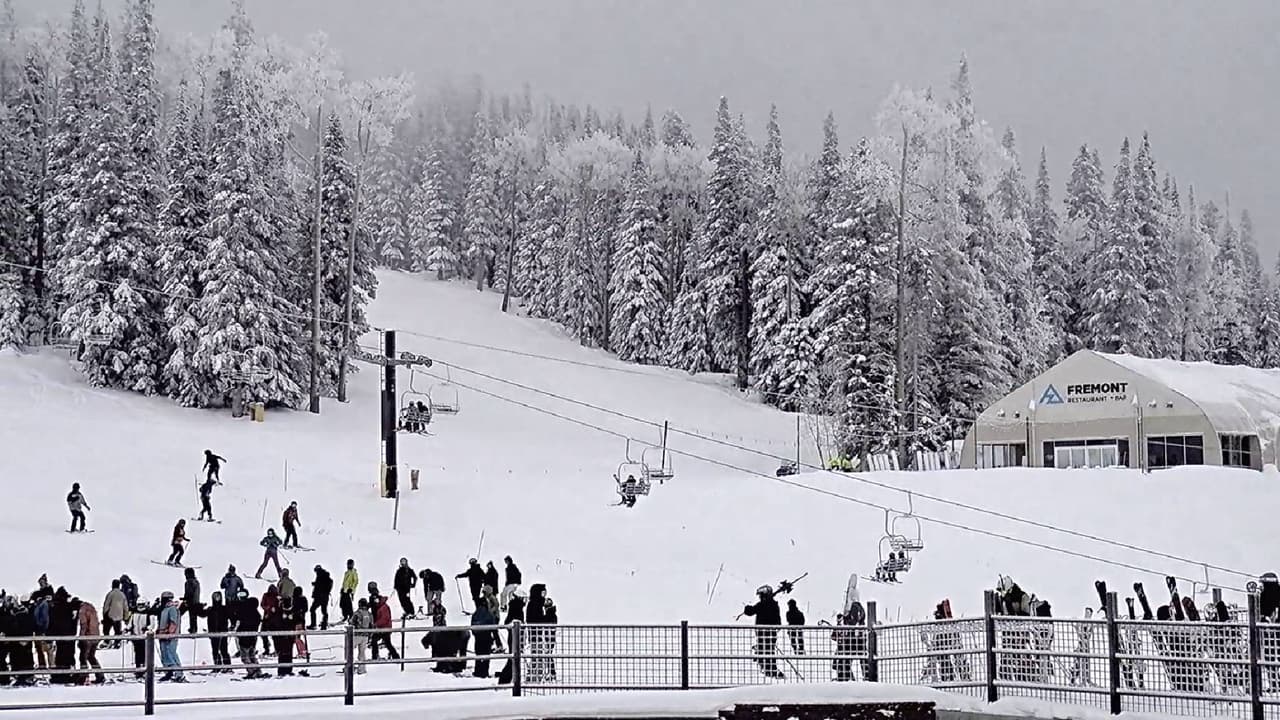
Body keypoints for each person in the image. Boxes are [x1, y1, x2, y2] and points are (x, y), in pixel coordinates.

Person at [743, 585, 783, 679]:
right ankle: (770, 668)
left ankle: (767, 668)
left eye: (760, 595)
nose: (760, 597)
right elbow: (778, 619)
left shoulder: (761, 605)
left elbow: (750, 611)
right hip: (771, 632)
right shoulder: (774, 605)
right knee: (770, 650)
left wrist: (746, 608)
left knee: (764, 649)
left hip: (762, 632)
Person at [200, 592, 232, 672]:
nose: (217, 598)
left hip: (223, 633)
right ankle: (217, 666)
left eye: (218, 597)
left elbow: (232, 616)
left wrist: (232, 625)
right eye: (215, 597)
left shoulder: (225, 608)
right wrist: (199, 606)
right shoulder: (210, 609)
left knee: (224, 650)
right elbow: (202, 614)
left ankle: (228, 666)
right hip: (213, 633)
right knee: (215, 651)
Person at [75, 598, 105, 684]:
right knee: (91, 656)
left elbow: (84, 625)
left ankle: (84, 677)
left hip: (88, 637)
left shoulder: (82, 610)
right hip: (96, 635)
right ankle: (100, 675)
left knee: (83, 657)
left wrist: (81, 638)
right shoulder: (91, 607)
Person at [234, 596, 264, 679]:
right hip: (253, 639)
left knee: (245, 657)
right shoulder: (257, 614)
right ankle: (258, 671)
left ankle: (252, 671)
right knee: (252, 656)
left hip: (244, 638)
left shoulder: (245, 613)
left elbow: (238, 618)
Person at [157, 591, 184, 682]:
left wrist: (169, 632)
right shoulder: (164, 609)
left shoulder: (172, 609)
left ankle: (179, 673)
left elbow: (173, 622)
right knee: (164, 655)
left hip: (169, 636)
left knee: (171, 654)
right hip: (163, 635)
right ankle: (168, 672)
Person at [471, 601, 498, 678]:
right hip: (487, 637)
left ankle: (477, 671)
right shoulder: (489, 614)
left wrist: (475, 634)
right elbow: (494, 628)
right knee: (486, 656)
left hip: (478, 638)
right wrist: (497, 640)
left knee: (478, 655)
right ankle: (485, 672)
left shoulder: (475, 614)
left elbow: (472, 626)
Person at [370, 594, 400, 660]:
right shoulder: (380, 606)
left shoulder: (383, 607)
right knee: (385, 642)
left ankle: (376, 656)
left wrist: (376, 624)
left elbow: (384, 619)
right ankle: (395, 655)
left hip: (385, 628)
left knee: (382, 642)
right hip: (383, 628)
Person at [350, 598, 373, 674]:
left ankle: (350, 667)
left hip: (357, 635)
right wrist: (370, 635)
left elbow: (352, 622)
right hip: (365, 636)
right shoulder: (369, 614)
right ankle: (362, 669)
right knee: (362, 653)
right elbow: (372, 625)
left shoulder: (357, 613)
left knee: (349, 650)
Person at [102, 580, 127, 647]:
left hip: (110, 616)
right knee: (117, 631)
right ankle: (117, 642)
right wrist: (125, 616)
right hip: (119, 617)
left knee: (106, 630)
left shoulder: (110, 594)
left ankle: (107, 642)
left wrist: (104, 614)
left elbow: (106, 605)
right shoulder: (122, 595)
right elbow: (125, 607)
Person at [290, 587, 310, 666]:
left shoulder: (294, 599)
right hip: (300, 620)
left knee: (296, 638)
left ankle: (302, 651)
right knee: (297, 637)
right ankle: (302, 651)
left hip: (296, 621)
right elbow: (305, 609)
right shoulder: (302, 599)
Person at [310, 565, 333, 630]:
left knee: (312, 609)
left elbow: (319, 586)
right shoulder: (326, 576)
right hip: (325, 597)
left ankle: (313, 624)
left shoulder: (320, 576)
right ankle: (324, 625)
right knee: (324, 611)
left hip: (319, 597)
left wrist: (315, 584)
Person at [260, 585, 280, 656]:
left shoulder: (277, 597)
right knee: (264, 634)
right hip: (268, 617)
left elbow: (279, 606)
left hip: (274, 619)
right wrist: (268, 608)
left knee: (274, 636)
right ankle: (267, 648)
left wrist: (274, 609)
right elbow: (262, 604)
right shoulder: (266, 595)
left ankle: (276, 650)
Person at [182, 568, 201, 634]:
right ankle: (193, 628)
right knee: (193, 616)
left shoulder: (190, 582)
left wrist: (186, 599)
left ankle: (193, 629)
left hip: (191, 601)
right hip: (195, 601)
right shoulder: (195, 582)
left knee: (192, 615)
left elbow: (189, 593)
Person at [340, 559, 359, 624]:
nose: (349, 565)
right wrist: (342, 588)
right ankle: (345, 616)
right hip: (344, 591)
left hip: (349, 591)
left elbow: (355, 582)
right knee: (342, 604)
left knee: (348, 604)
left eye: (350, 564)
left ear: (352, 565)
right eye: (348, 564)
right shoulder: (347, 572)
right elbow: (345, 582)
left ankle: (351, 616)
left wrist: (351, 589)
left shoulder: (353, 572)